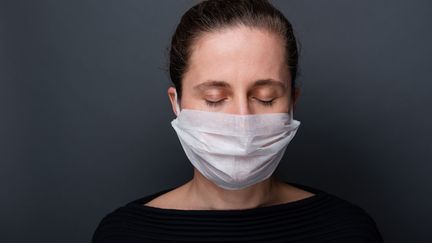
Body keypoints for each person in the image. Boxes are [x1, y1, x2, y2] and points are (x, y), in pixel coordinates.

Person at [92, 0, 383, 242]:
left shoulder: (348, 230)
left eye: (266, 98)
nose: (242, 121)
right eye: (215, 99)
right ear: (176, 104)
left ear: (292, 103)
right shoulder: (123, 235)